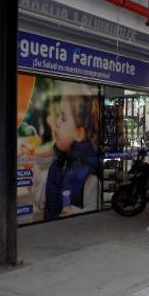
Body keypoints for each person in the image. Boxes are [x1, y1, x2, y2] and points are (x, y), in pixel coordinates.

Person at [32, 84, 100, 219]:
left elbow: (94, 207)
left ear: (79, 133)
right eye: (58, 115)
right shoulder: (58, 164)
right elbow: (44, 201)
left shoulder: (89, 177)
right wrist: (31, 169)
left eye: (63, 118)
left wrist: (75, 213)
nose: (56, 122)